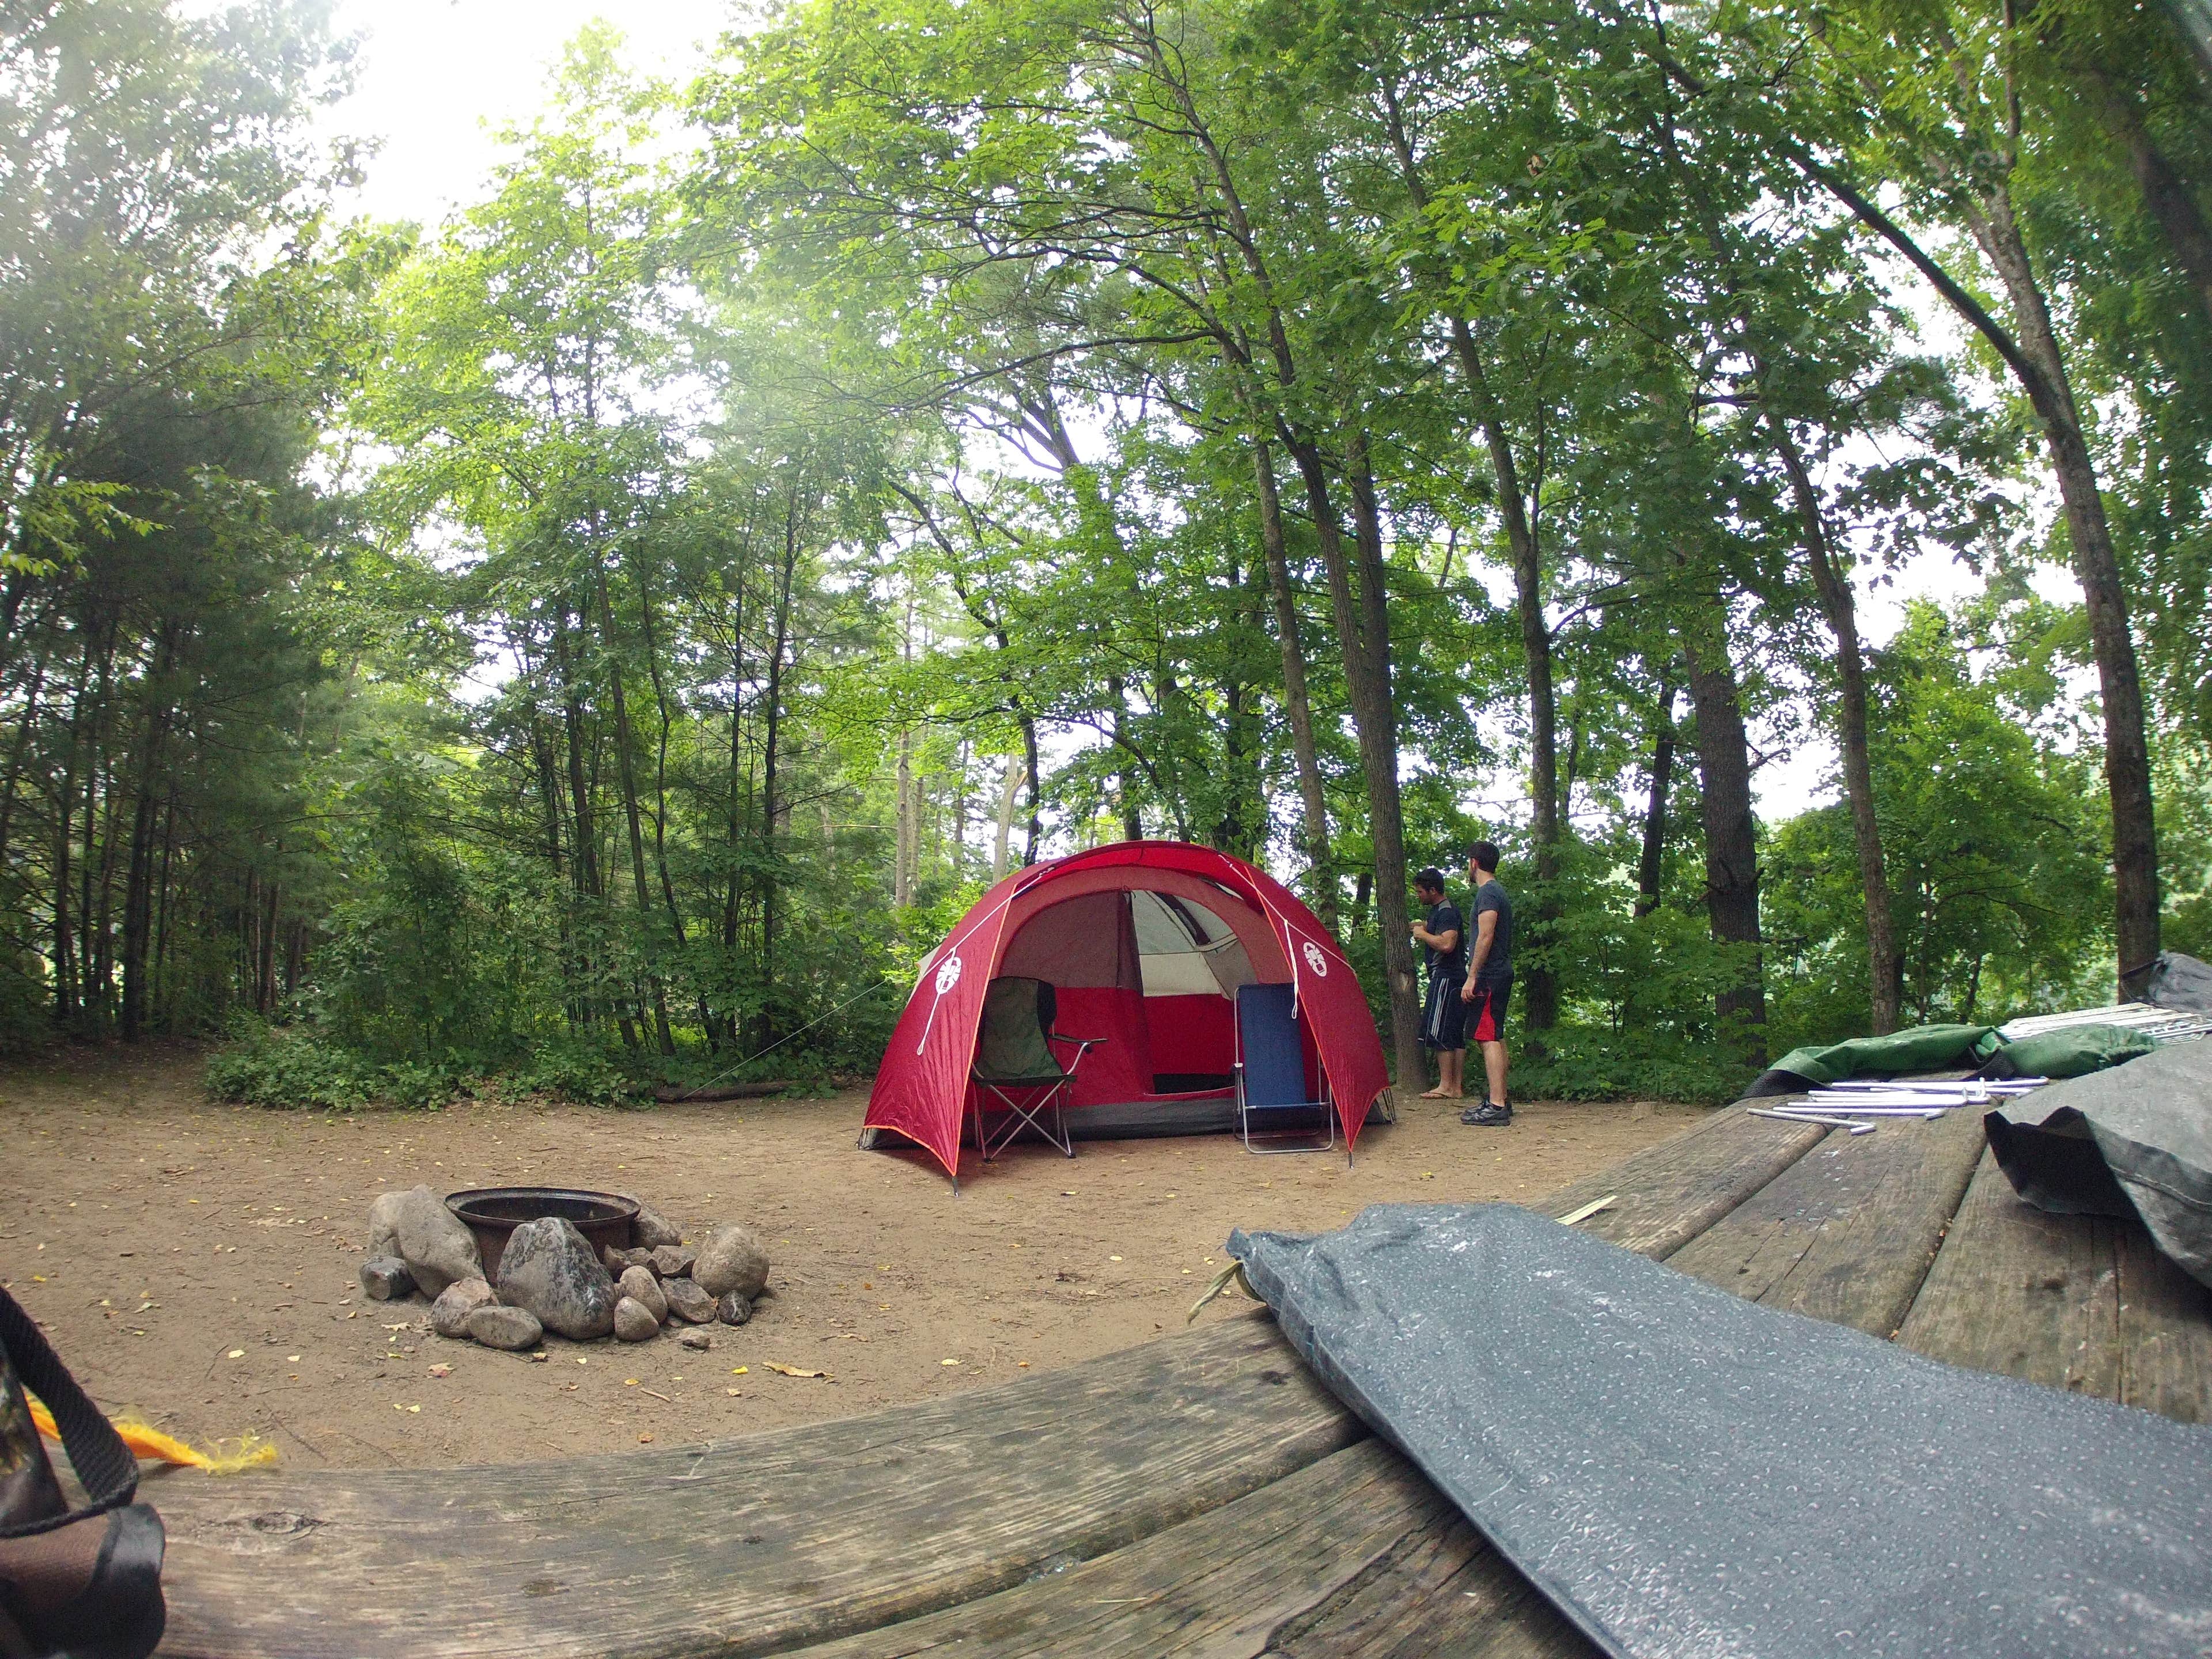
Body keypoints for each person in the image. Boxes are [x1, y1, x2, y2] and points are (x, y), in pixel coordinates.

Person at [1459, 841, 1515, 1126]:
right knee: (1496, 1034)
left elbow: (1485, 936)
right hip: (1497, 972)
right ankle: (1501, 1098)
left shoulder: (1488, 893)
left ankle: (1497, 1106)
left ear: (1474, 863)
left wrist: (1472, 975)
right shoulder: (1495, 892)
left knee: (1488, 1037)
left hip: (1490, 975)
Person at [1408, 867, 1467, 1100]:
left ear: (1433, 890)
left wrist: (1422, 936)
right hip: (1453, 978)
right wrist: (1416, 926)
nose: (1418, 895)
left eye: (1420, 891)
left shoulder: (1447, 912)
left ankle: (1446, 1086)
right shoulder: (1440, 912)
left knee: (1441, 1031)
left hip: (1446, 977)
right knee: (1454, 1032)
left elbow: (1447, 944)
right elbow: (1435, 927)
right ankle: (1456, 1088)